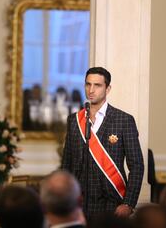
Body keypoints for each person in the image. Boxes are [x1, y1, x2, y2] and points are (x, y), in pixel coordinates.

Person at [61, 67, 144, 220]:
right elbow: (66, 163)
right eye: (88, 84)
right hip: (77, 204)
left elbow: (137, 165)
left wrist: (129, 204)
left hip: (111, 205)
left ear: (108, 88)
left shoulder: (124, 120)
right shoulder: (74, 120)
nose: (91, 90)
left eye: (97, 85)